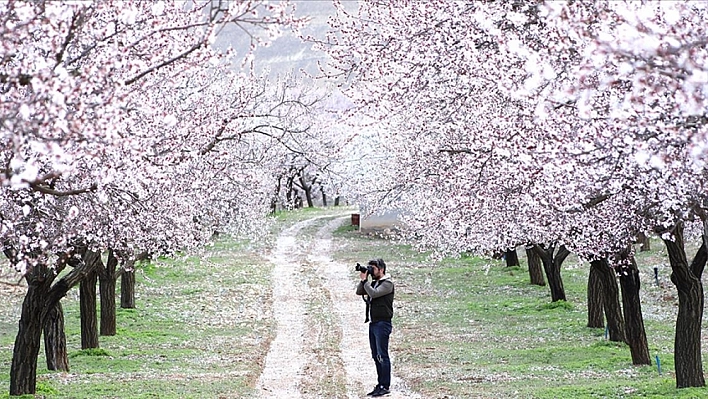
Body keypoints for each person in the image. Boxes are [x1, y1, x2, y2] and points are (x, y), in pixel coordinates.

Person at [356, 258, 394, 397]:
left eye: (374, 268)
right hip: (373, 323)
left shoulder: (388, 284)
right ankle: (380, 384)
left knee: (382, 355)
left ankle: (385, 385)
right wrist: (364, 279)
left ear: (382, 269)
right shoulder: (373, 283)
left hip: (383, 323)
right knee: (375, 355)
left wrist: (366, 282)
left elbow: (373, 294)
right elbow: (359, 292)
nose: (372, 271)